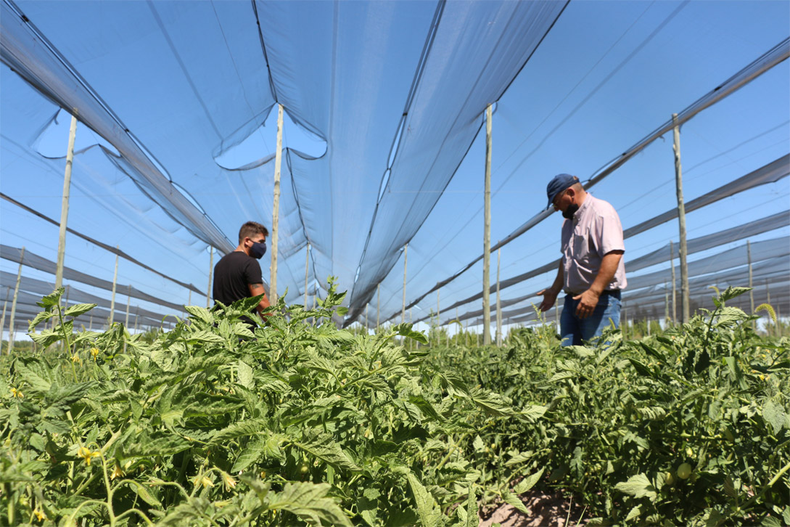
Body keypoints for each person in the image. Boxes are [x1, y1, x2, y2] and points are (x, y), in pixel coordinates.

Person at [538, 174, 626, 346]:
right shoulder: (568, 223)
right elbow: (567, 260)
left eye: (556, 202)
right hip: (572, 302)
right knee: (568, 362)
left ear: (570, 193)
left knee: (599, 362)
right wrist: (554, 290)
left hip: (599, 301)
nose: (556, 209)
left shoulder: (601, 212)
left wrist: (593, 293)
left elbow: (613, 254)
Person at [212, 221, 271, 325]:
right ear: (247, 241)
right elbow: (261, 301)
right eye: (261, 242)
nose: (263, 246)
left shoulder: (219, 264)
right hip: (242, 331)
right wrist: (277, 327)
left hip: (220, 329)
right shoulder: (250, 263)